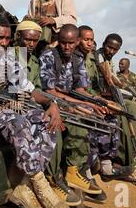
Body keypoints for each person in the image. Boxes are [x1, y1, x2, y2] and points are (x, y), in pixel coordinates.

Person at [0, 16, 69, 208]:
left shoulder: (9, 58)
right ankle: (39, 184)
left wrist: (51, 103)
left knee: (45, 121)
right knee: (18, 122)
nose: (5, 43)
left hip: (5, 103)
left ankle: (23, 185)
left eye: (7, 38)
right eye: (0, 38)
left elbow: (27, 90)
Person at [14, 20, 81, 207]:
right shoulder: (9, 58)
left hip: (33, 103)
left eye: (35, 40)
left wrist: (53, 104)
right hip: (16, 107)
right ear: (18, 38)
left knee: (59, 120)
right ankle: (51, 179)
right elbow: (19, 91)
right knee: (51, 126)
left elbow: (36, 90)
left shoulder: (34, 61)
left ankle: (66, 172)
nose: (31, 44)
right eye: (27, 39)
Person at [39, 24, 106, 198]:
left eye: (70, 43)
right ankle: (65, 172)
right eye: (63, 42)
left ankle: (82, 168)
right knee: (78, 120)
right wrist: (80, 105)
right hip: (51, 102)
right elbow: (50, 92)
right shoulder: (49, 56)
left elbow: (81, 89)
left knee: (98, 117)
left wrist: (95, 102)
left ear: (77, 42)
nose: (66, 47)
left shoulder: (78, 59)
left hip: (67, 100)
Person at [77, 26, 132, 193]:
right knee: (93, 120)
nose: (89, 43)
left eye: (90, 40)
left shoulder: (94, 59)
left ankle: (107, 165)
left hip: (87, 96)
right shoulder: (84, 57)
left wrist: (101, 98)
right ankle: (86, 169)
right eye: (85, 40)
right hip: (75, 99)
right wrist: (98, 100)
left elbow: (88, 86)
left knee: (113, 117)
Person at [94, 34, 136, 187]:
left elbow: (114, 81)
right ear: (103, 44)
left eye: (115, 49)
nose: (111, 51)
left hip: (107, 94)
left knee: (134, 106)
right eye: (109, 47)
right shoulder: (97, 57)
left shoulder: (107, 59)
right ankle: (125, 160)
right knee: (125, 111)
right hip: (96, 97)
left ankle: (134, 152)